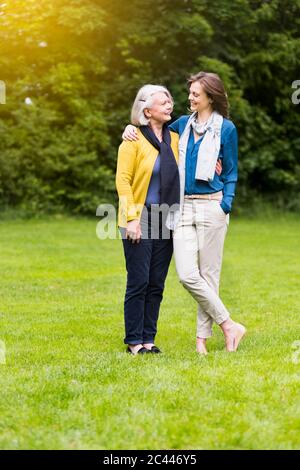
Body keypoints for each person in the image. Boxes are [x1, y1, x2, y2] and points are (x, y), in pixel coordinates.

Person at [122, 72, 246, 354]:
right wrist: (127, 129)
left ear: (209, 97)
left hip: (203, 207)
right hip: (174, 209)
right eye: (189, 93)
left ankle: (199, 340)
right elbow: (142, 140)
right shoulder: (181, 125)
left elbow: (230, 169)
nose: (187, 98)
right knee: (185, 275)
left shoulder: (215, 130)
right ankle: (228, 325)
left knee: (201, 276)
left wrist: (226, 202)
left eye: (195, 94)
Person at [116, 84, 180, 355]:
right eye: (162, 101)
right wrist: (132, 218)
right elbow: (123, 180)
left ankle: (148, 339)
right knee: (139, 280)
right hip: (139, 216)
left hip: (167, 218)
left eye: (170, 100)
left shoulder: (175, 138)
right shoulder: (132, 140)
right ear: (146, 110)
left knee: (156, 282)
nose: (169, 105)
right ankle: (133, 341)